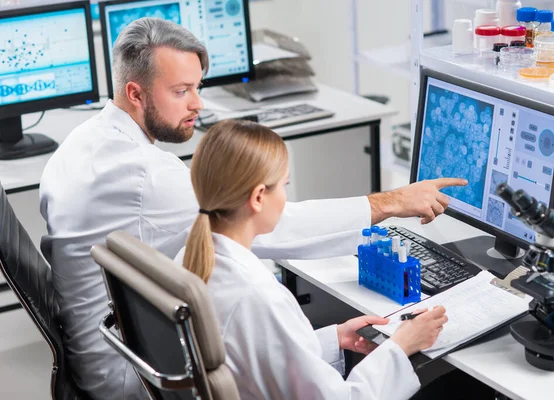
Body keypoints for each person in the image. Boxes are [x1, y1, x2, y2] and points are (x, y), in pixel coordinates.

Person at [39, 18, 466, 399]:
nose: (198, 104)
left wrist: (328, 340)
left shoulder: (83, 143)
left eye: (197, 88)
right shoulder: (148, 179)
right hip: (125, 376)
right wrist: (391, 203)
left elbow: (253, 347)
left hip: (121, 350)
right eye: (181, 91)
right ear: (135, 93)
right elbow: (282, 227)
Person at [180, 119, 448, 399]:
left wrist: (335, 338)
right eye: (284, 186)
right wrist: (402, 345)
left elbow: (259, 353)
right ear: (259, 197)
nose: (285, 198)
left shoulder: (190, 256)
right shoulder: (259, 297)